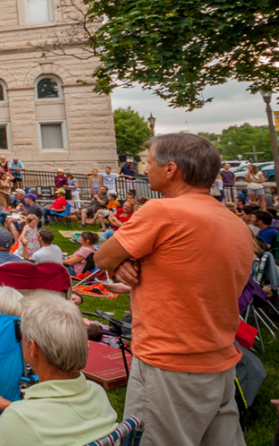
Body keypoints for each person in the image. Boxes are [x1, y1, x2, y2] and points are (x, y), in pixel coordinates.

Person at [94, 133, 252, 446]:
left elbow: (103, 256)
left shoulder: (162, 211)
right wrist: (130, 262)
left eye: (148, 162)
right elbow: (190, 275)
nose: (144, 169)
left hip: (168, 363)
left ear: (170, 169)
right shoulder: (234, 222)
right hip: (220, 360)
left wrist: (121, 260)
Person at [0, 292, 118, 446]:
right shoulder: (98, 394)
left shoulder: (20, 420)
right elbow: (54, 420)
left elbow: (29, 422)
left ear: (34, 348)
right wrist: (8, 405)